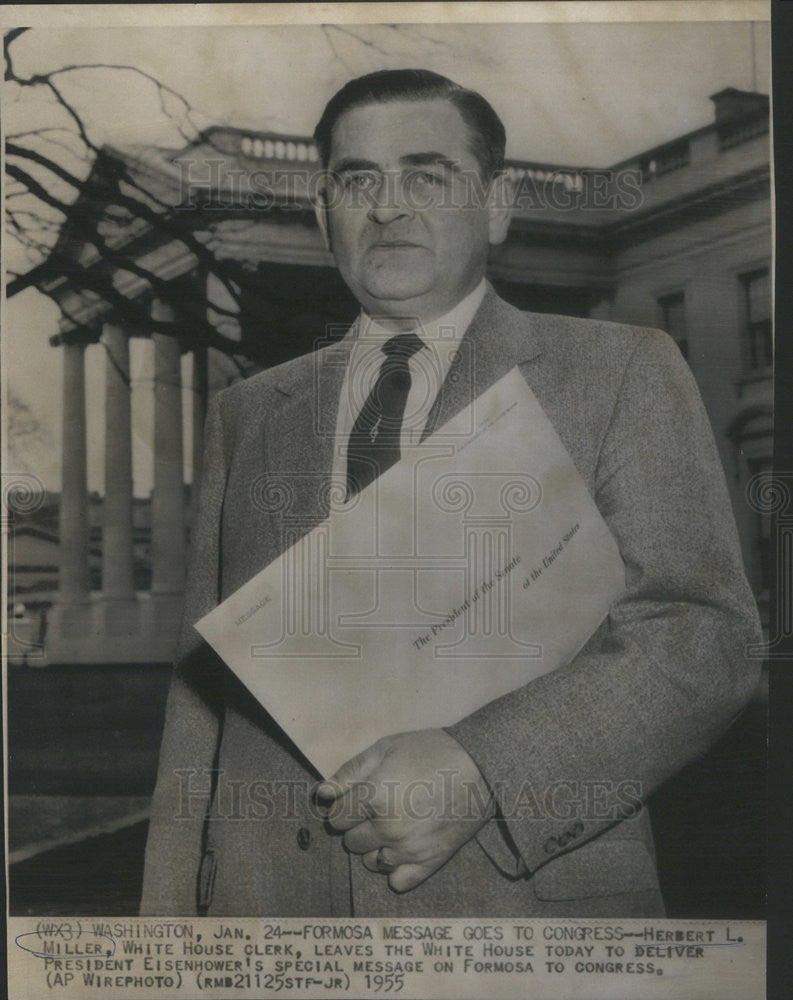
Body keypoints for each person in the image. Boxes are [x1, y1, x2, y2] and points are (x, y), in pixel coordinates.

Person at [141, 69, 761, 918]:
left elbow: (704, 634)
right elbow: (197, 716)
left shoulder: (618, 372)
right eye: (357, 180)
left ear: (497, 205)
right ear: (324, 216)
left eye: (427, 175)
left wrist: (482, 769)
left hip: (520, 908)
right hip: (267, 915)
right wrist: (169, 937)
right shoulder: (247, 415)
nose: (388, 207)